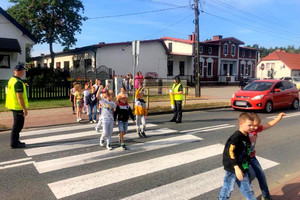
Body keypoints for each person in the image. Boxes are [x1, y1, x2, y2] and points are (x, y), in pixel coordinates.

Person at [248, 112, 285, 200]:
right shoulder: (243, 133)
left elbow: (268, 124)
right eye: (254, 126)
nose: (256, 128)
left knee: (261, 176)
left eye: (257, 125)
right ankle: (249, 196)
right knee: (250, 177)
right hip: (244, 160)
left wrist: (278, 118)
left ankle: (266, 196)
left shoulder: (255, 129)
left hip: (252, 158)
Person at [219, 112, 256, 200]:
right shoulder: (236, 137)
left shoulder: (246, 135)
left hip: (242, 166)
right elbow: (230, 151)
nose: (252, 127)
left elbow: (245, 149)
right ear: (241, 124)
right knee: (228, 188)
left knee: (248, 187)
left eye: (252, 125)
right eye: (249, 125)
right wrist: (236, 167)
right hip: (233, 167)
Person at [5, 64, 28, 148]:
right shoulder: (18, 83)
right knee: (18, 126)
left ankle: (16, 141)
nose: (23, 72)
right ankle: (14, 143)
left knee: (17, 125)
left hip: (13, 106)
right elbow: (19, 97)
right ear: (21, 71)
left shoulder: (11, 80)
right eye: (23, 71)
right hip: (18, 107)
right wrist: (24, 109)